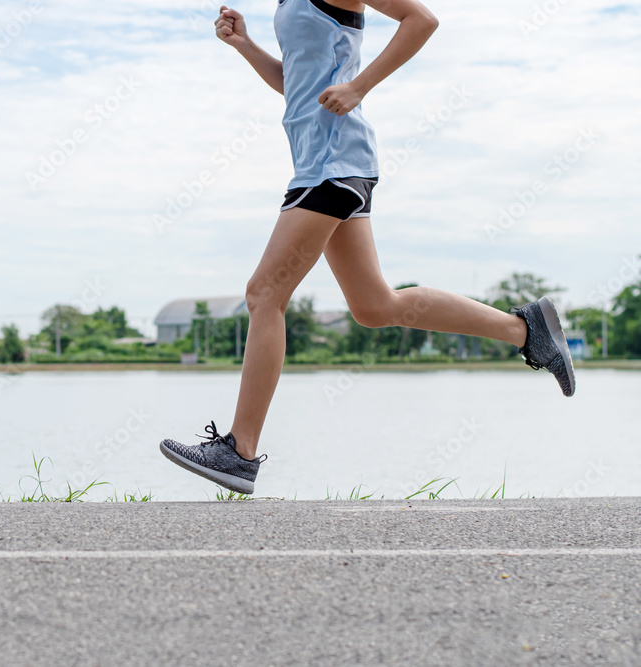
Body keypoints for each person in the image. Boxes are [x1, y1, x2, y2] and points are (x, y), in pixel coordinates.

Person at [158, 0, 575, 495]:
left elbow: (421, 20)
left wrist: (360, 86)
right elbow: (298, 85)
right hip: (321, 165)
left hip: (335, 165)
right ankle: (526, 330)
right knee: (376, 307)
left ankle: (239, 452)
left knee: (264, 294)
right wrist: (245, 46)